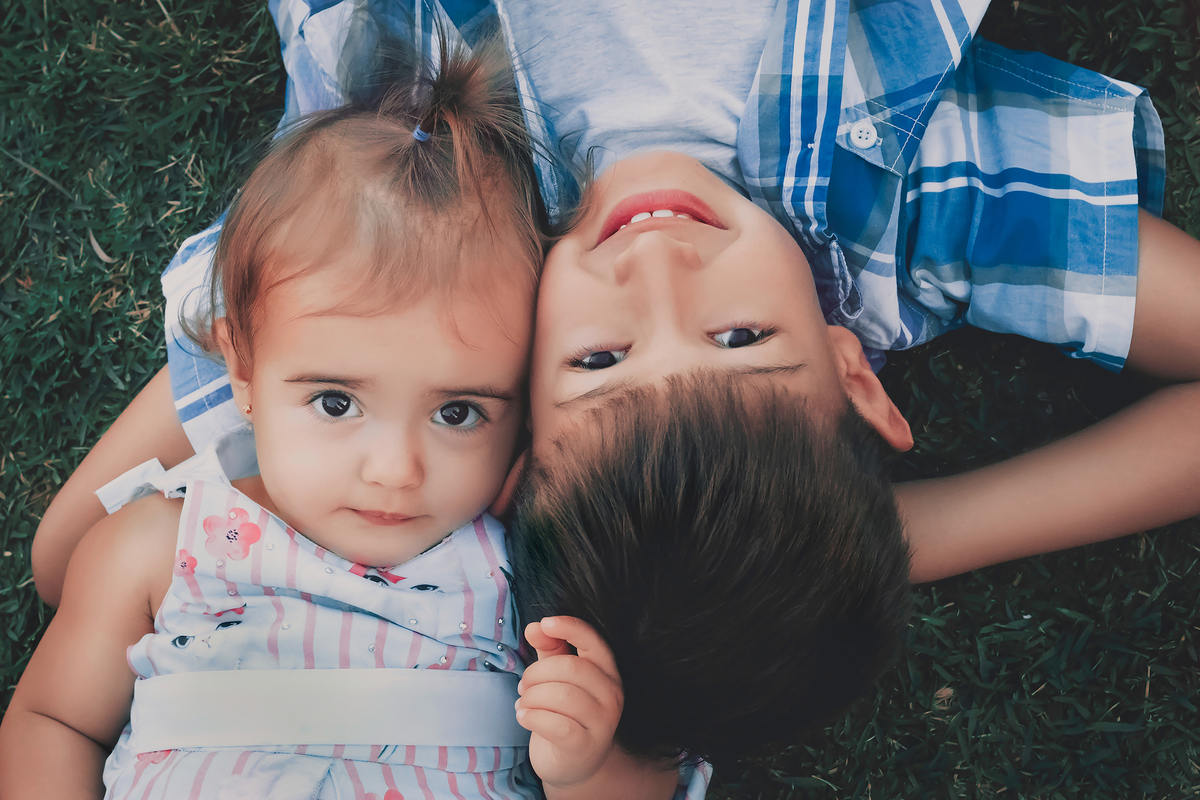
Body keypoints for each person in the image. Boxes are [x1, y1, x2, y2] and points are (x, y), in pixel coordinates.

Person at [26, 0, 1200, 776]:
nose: (657, 270)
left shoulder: (432, 247)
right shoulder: (917, 213)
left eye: (597, 362)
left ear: (512, 420)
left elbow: (70, 547)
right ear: (853, 373)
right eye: (743, 335)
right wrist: (886, 532)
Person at [0, 30, 688, 800]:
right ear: (242, 371)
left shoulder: (529, 581)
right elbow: (52, 722)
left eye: (458, 413)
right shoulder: (158, 548)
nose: (395, 470)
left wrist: (589, 766)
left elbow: (650, 765)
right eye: (336, 402)